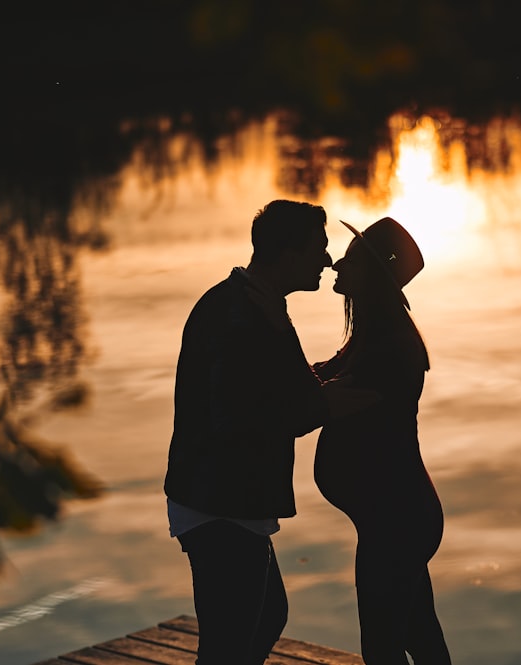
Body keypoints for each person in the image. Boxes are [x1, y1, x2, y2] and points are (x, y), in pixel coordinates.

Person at [164, 199, 376, 665]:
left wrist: (319, 393)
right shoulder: (239, 316)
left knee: (265, 618)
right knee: (227, 645)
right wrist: (325, 405)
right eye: (318, 249)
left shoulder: (256, 304)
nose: (327, 259)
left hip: (227, 498)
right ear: (288, 255)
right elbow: (241, 418)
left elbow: (275, 388)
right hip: (217, 502)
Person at [313, 216, 451, 664]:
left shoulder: (389, 348)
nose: (336, 264)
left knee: (383, 647)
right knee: (419, 636)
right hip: (396, 519)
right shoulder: (369, 338)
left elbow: (323, 399)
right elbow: (321, 375)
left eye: (350, 260)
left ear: (373, 273)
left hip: (398, 522)